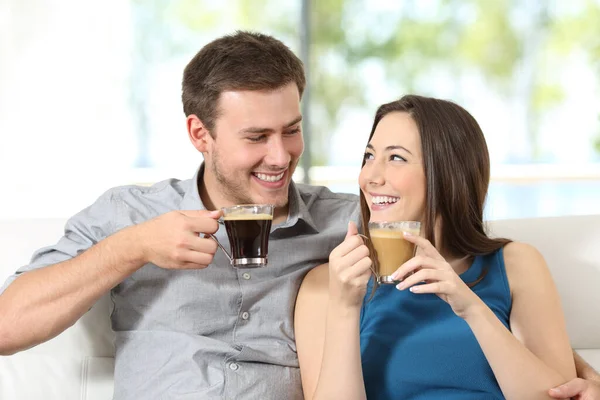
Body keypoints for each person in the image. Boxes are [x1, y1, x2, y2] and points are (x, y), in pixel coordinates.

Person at [0, 31, 359, 399]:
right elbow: (6, 327)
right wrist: (134, 247)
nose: (281, 157)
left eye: (292, 131)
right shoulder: (131, 214)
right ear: (200, 134)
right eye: (256, 137)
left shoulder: (344, 224)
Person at [294, 94, 586, 399]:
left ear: (448, 174)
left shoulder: (516, 264)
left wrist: (470, 306)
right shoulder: (325, 284)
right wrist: (345, 308)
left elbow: (561, 395)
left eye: (396, 158)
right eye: (369, 156)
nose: (370, 176)